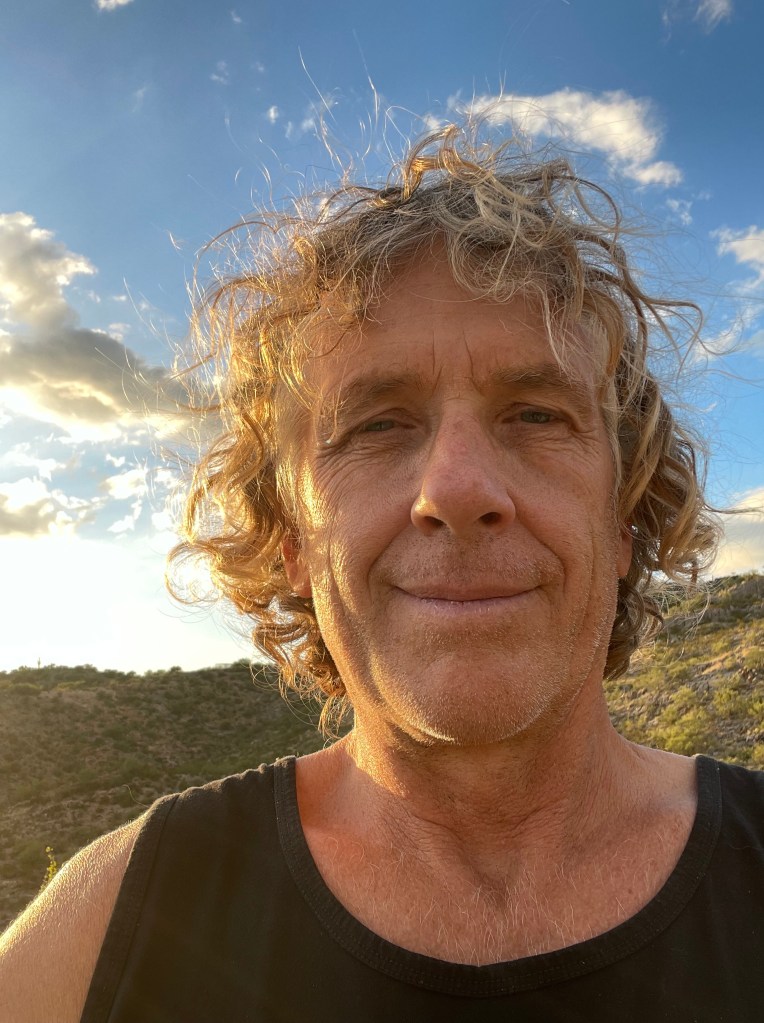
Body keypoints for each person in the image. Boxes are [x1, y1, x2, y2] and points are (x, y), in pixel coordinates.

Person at [1, 125, 762, 1022]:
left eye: (534, 413)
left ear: (624, 516)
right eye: (376, 425)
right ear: (291, 538)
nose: (458, 489)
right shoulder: (107, 936)